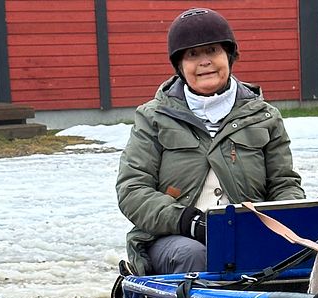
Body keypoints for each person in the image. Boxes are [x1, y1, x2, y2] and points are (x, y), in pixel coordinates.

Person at [116, 7, 304, 276]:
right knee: (197, 256)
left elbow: (284, 184)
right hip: (173, 238)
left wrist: (278, 224)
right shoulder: (152, 118)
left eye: (213, 51)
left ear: (229, 56)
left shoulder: (265, 117)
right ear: (180, 65)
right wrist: (188, 221)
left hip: (250, 236)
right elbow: (132, 189)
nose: (204, 61)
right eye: (192, 54)